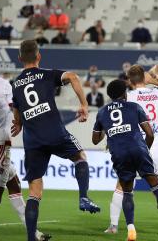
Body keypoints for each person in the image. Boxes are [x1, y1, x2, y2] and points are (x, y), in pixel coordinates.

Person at [11, 40, 100, 241]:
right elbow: (73, 76)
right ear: (39, 56)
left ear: (19, 59)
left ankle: (31, 237)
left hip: (33, 141)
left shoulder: (15, 84)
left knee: (35, 191)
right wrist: (84, 105)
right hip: (55, 133)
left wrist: (19, 124)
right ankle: (84, 197)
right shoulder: (46, 74)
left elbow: (17, 113)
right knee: (80, 156)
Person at [0, 52, 51, 241]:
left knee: (14, 185)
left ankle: (33, 233)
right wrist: (20, 121)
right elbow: (15, 106)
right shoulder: (1, 83)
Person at [103, 66, 158, 237]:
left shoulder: (127, 98)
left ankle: (113, 225)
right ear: (144, 77)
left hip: (136, 144)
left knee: (123, 185)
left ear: (129, 81)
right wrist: (154, 76)